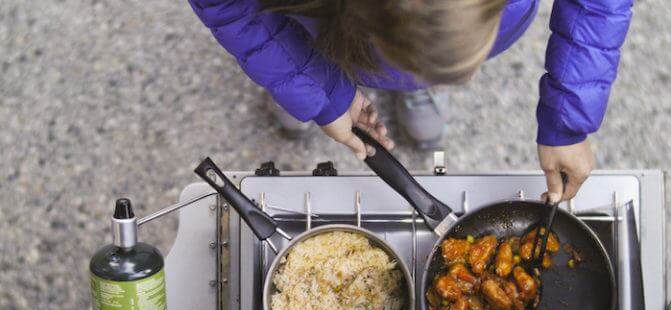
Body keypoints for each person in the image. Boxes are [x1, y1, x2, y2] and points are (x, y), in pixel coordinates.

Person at [188, 0, 632, 202]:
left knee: (415, 57)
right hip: (328, 20)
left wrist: (567, 121)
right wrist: (317, 89)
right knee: (286, 47)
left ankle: (411, 75)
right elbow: (231, 8)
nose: (473, 78)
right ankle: (307, 64)